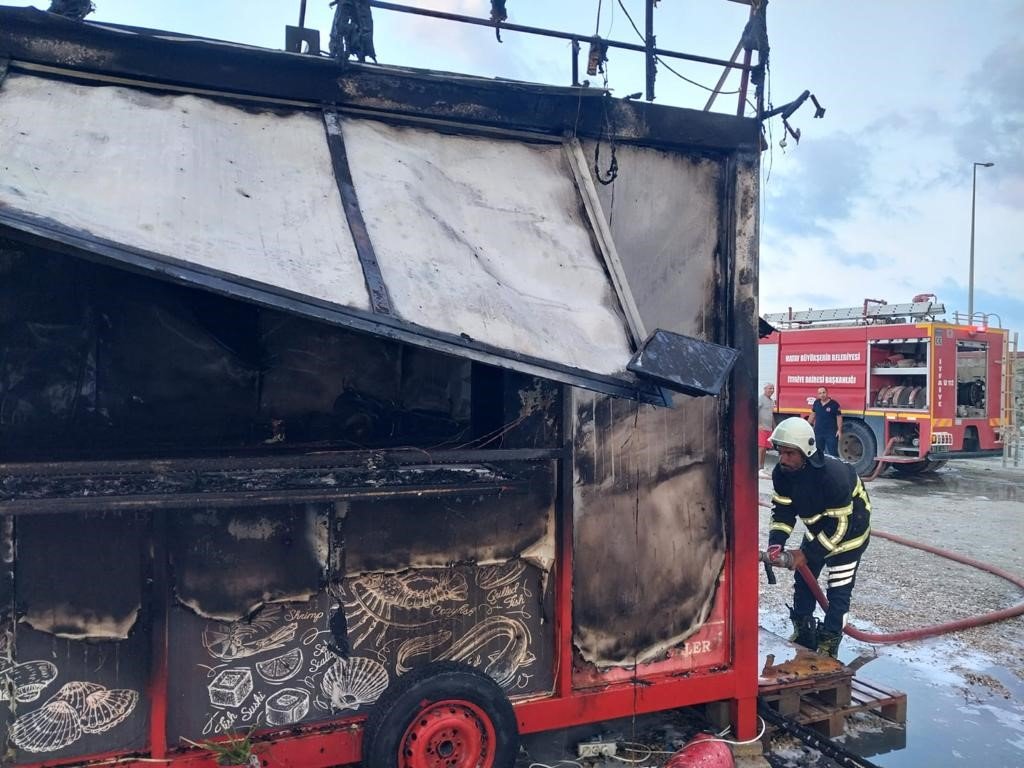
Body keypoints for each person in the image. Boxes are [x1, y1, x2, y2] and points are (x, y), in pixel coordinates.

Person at [764, 417, 871, 658]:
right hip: (818, 531)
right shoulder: (782, 474)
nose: (784, 459)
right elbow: (782, 510)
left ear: (806, 451)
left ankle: (829, 643)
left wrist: (806, 554)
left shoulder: (833, 477)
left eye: (791, 453)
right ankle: (804, 634)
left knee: (838, 590)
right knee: (804, 583)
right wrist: (776, 541)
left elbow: (840, 526)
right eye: (781, 452)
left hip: (850, 537)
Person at [808, 386, 842, 457]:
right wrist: (807, 425)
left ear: (827, 393)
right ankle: (820, 467)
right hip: (818, 433)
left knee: (833, 453)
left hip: (831, 433)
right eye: (820, 393)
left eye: (824, 392)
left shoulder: (834, 404)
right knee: (818, 453)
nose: (822, 395)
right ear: (818, 395)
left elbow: (839, 417)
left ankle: (835, 467)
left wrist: (839, 430)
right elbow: (813, 414)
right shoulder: (816, 403)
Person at [758, 383, 776, 477]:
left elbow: (771, 414)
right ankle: (759, 468)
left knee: (765, 448)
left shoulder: (771, 401)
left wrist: (774, 426)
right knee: (761, 448)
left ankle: (762, 467)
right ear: (764, 389)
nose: (771, 390)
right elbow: (755, 410)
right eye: (769, 388)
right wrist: (758, 424)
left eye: (772, 388)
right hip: (762, 428)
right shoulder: (761, 399)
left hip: (768, 428)